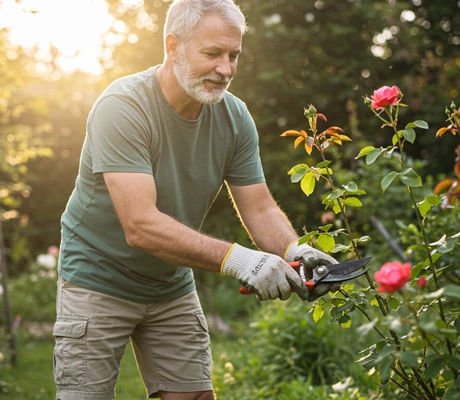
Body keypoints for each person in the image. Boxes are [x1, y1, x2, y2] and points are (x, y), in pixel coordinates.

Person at [53, 0, 338, 398]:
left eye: (233, 55)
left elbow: (258, 207)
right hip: (98, 279)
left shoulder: (234, 117)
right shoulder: (123, 108)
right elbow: (140, 225)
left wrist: (295, 248)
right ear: (173, 47)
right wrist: (241, 260)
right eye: (212, 54)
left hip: (169, 283)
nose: (226, 69)